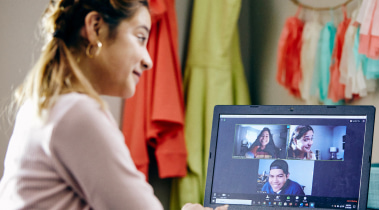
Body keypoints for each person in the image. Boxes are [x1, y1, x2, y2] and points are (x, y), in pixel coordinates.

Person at [0, 0, 225, 209]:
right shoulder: (76, 114)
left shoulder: (43, 105)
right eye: (140, 37)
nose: (148, 60)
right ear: (96, 27)